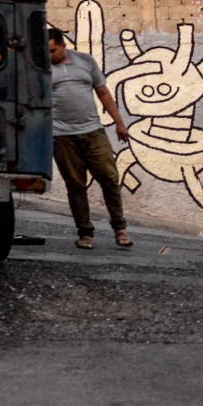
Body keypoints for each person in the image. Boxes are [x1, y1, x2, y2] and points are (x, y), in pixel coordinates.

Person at [48, 27, 133, 250]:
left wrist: (119, 123)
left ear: (63, 45)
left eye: (53, 51)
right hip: (62, 136)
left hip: (93, 131)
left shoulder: (85, 61)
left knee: (109, 178)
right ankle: (85, 233)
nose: (50, 56)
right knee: (75, 185)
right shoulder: (41, 68)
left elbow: (103, 92)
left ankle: (120, 228)